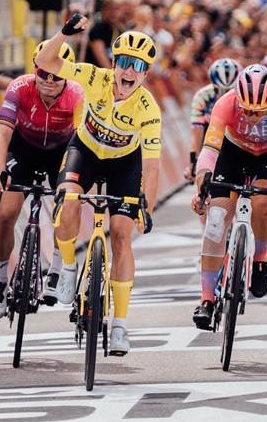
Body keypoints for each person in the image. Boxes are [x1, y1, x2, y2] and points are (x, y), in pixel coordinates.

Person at [34, 19, 162, 357]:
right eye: (124, 62)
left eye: (138, 66)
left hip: (124, 164)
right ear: (113, 63)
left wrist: (146, 207)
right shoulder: (95, 77)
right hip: (85, 152)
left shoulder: (149, 108)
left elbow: (151, 164)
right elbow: (46, 63)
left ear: (146, 73)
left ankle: (119, 326)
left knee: (121, 235)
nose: (129, 71)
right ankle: (67, 269)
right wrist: (64, 33)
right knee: (68, 203)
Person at [190, 64, 267, 330]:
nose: (251, 115)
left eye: (259, 111)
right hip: (233, 151)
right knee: (216, 217)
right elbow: (208, 153)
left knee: (264, 202)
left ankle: (261, 257)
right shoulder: (225, 104)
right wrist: (201, 190)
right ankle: (206, 298)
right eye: (247, 109)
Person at [0, 42, 84, 318]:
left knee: (67, 205)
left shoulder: (77, 93)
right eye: (43, 73)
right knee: (6, 213)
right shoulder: (19, 87)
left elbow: (82, 140)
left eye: (56, 74)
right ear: (35, 69)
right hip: (24, 151)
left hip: (62, 151)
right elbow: (2, 134)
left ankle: (55, 269)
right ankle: (0, 280)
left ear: (67, 74)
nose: (49, 80)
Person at [186, 58, 243, 180]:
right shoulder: (202, 97)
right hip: (213, 132)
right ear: (213, 85)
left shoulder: (245, 97)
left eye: (230, 91)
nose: (225, 96)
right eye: (221, 91)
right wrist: (193, 164)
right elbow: (197, 134)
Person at [86, 0, 125, 67]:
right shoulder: (98, 29)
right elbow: (100, 54)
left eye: (116, 9)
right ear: (102, 11)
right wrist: (112, 74)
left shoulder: (119, 30)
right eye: (109, 9)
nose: (113, 13)